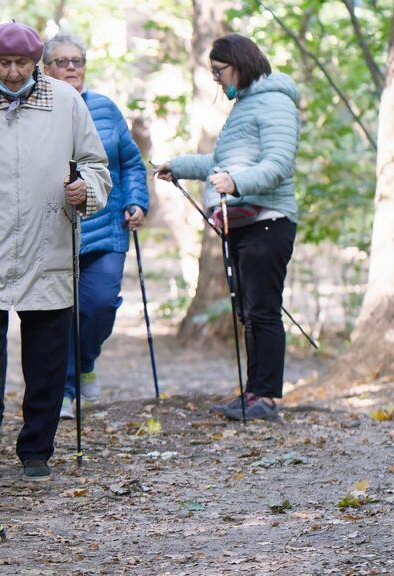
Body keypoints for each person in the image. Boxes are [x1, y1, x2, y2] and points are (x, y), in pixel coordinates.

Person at [0, 22, 111, 484]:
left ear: (36, 61)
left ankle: (37, 449)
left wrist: (86, 190)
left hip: (47, 241)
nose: (13, 73)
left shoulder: (67, 101)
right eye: (3, 64)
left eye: (21, 64)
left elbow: (97, 165)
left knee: (47, 357)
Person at [155, 33, 300, 422]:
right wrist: (180, 166)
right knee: (249, 310)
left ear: (239, 62)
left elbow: (279, 163)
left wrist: (237, 183)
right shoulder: (247, 105)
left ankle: (266, 399)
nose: (217, 79)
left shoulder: (275, 103)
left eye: (219, 71)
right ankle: (254, 392)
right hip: (244, 224)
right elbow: (221, 163)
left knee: (263, 311)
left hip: (268, 221)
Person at [42, 34, 149, 419]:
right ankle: (67, 389)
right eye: (62, 61)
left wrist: (137, 201)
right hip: (54, 230)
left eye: (77, 61)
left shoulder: (105, 108)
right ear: (46, 68)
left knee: (99, 306)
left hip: (106, 230)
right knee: (59, 314)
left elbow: (132, 163)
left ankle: (85, 362)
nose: (71, 67)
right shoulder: (40, 110)